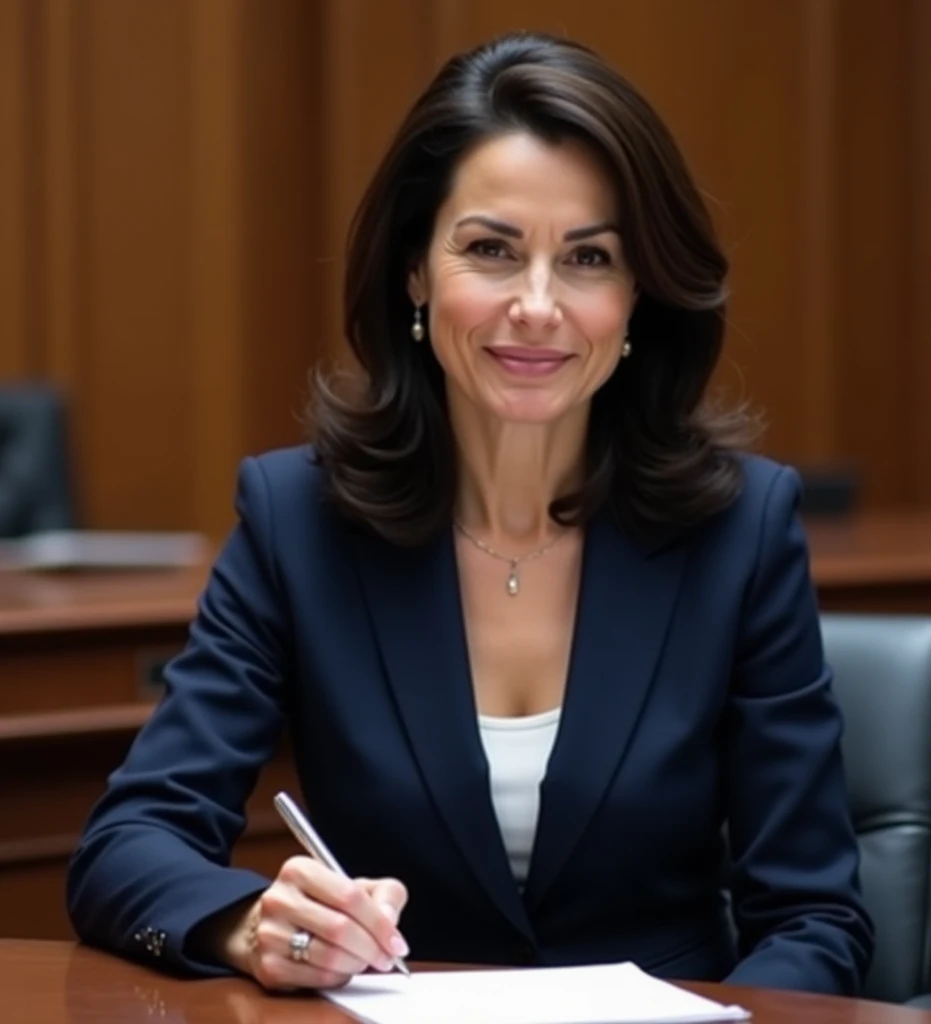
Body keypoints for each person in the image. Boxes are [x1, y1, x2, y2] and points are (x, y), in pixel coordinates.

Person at [67, 31, 874, 995]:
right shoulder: (299, 521)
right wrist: (252, 924)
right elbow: (128, 844)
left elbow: (816, 917)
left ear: (637, 296)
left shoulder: (741, 532)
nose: (536, 306)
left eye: (587, 258)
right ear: (416, 271)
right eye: (492, 249)